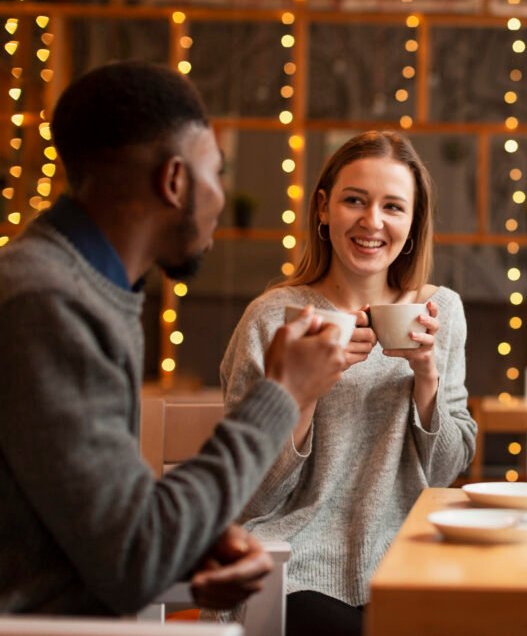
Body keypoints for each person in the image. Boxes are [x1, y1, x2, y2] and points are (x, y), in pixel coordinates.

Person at [0, 61, 348, 615]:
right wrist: (281, 393)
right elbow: (136, 557)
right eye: (218, 172)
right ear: (175, 181)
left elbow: (93, 519)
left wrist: (192, 540)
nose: (222, 197)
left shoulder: (84, 288)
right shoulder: (47, 304)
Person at [217, 130, 476, 635]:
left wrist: (425, 378)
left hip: (406, 560)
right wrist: (305, 390)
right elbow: (244, 496)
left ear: (413, 222)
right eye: (354, 200)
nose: (372, 222)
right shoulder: (272, 319)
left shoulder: (439, 311)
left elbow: (445, 473)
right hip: (291, 563)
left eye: (393, 206)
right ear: (322, 209)